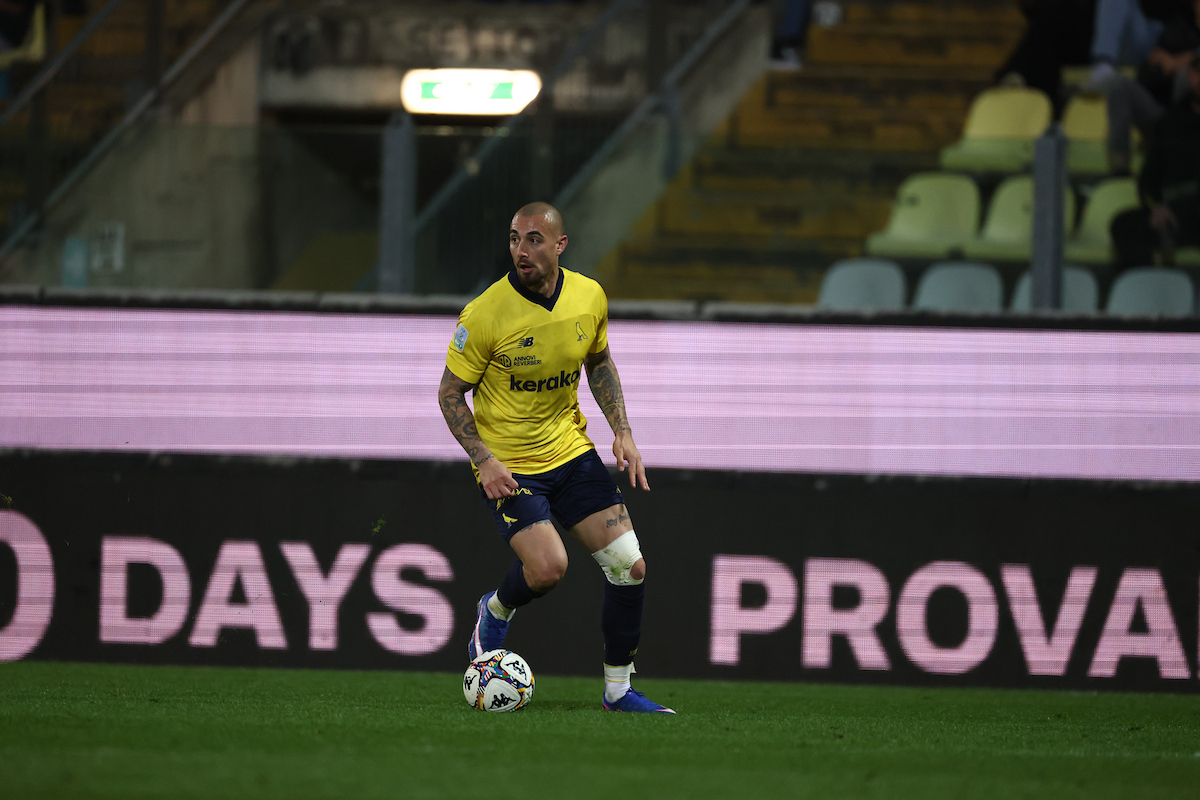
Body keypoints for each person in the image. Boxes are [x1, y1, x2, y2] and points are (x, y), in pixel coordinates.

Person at [438, 201, 674, 714]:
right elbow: (450, 394)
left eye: (534, 239)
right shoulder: (485, 314)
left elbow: (599, 361)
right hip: (510, 464)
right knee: (548, 569)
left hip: (570, 451)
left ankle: (618, 691)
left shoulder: (589, 296)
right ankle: (494, 610)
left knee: (631, 567)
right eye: (514, 238)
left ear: (560, 245)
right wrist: (484, 460)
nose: (521, 250)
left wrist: (623, 432)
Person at [1110, 52, 1200, 266]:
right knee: (1123, 224)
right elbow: (1149, 177)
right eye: (1197, 72)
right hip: (1168, 212)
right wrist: (1157, 207)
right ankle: (1145, 284)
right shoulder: (1171, 122)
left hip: (1191, 211)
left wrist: (1179, 211)